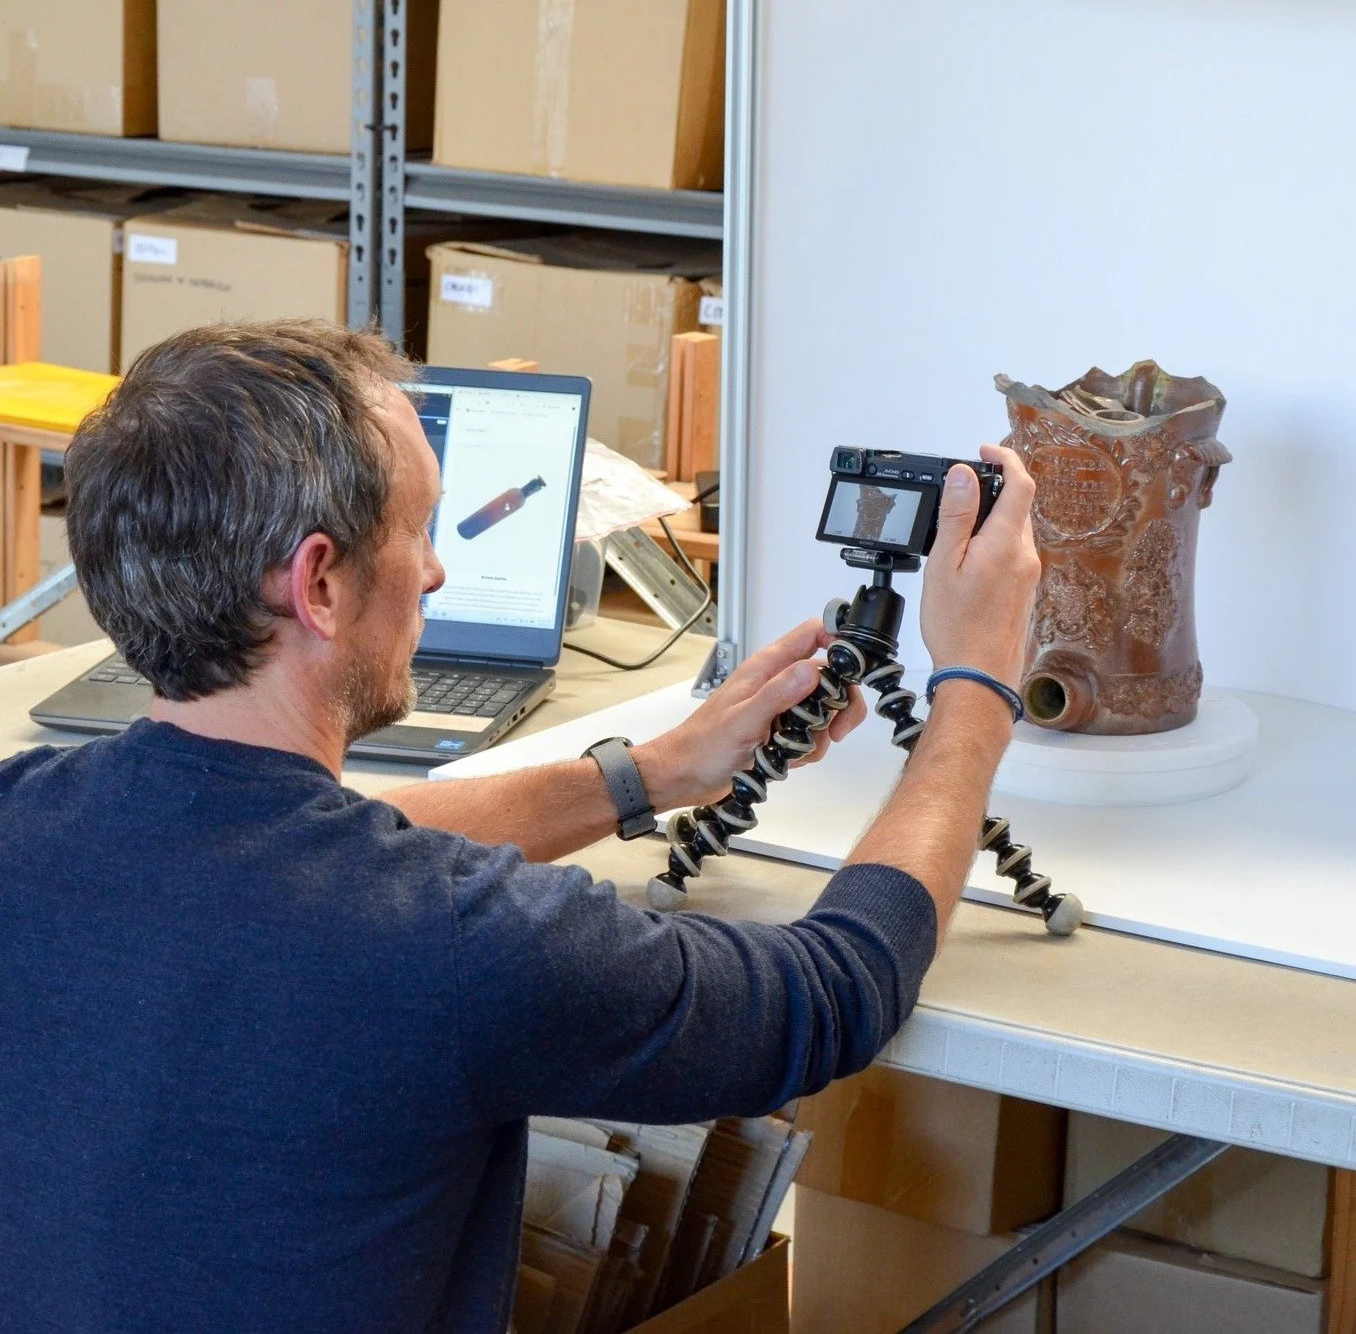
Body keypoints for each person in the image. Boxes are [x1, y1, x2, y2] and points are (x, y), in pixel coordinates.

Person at [0, 321, 1041, 1333]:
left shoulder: (23, 817)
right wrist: (976, 690)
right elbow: (833, 993)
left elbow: (288, 842)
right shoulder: (459, 943)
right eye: (418, 530)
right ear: (319, 583)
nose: (439, 571)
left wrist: (652, 772)